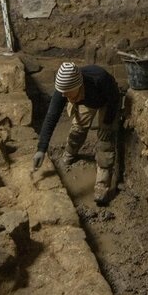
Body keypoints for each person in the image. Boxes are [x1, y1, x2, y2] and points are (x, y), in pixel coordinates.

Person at [33, 61, 120, 205]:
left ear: (79, 86)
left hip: (106, 100)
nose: (66, 97)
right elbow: (51, 118)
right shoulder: (63, 90)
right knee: (77, 130)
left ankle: (102, 184)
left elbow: (114, 99)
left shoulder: (100, 79)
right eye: (63, 94)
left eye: (68, 93)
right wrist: (41, 149)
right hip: (85, 101)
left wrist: (106, 124)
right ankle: (69, 154)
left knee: (105, 141)